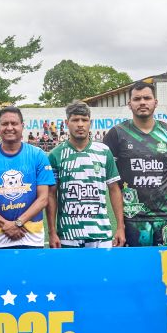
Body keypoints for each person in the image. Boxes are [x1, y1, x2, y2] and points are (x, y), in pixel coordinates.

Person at [101, 82, 167, 246]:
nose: (142, 102)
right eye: (137, 99)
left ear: (155, 102)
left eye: (147, 98)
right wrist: (120, 225)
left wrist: (159, 189)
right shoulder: (117, 134)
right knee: (135, 269)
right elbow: (112, 182)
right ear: (129, 104)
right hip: (133, 218)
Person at [0, 107, 55, 249]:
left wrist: (17, 223)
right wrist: (5, 225)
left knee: (30, 272)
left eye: (14, 123)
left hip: (31, 236)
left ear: (22, 126)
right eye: (4, 124)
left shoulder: (38, 155)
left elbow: (43, 199)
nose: (9, 127)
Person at [46, 101, 125, 248]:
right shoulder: (56, 155)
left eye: (84, 120)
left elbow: (114, 189)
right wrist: (52, 232)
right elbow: (51, 195)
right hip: (68, 235)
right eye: (75, 120)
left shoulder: (104, 151)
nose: (80, 124)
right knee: (71, 272)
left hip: (101, 234)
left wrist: (120, 227)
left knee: (102, 272)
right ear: (66, 123)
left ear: (91, 122)